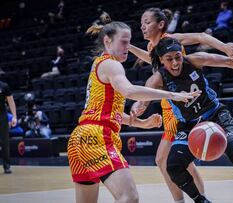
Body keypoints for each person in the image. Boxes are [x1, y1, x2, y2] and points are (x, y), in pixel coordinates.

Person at [133, 37, 233, 203]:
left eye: (178, 57)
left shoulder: (195, 60)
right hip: (188, 125)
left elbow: (228, 62)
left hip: (216, 115)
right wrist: (139, 105)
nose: (176, 63)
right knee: (173, 166)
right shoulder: (158, 78)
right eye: (170, 59)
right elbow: (143, 95)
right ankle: (201, 200)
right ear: (161, 60)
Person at [67, 21, 199, 203]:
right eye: (123, 42)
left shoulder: (99, 64)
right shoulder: (112, 65)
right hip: (96, 136)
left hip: (79, 139)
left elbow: (111, 113)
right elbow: (129, 91)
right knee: (129, 197)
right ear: (107, 41)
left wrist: (141, 123)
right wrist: (172, 94)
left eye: (129, 42)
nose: (127, 47)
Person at [129, 8, 233, 202]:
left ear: (160, 24)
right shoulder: (153, 47)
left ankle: (188, 199)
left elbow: (201, 36)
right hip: (169, 107)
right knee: (182, 163)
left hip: (180, 110)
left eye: (147, 21)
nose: (142, 25)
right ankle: (199, 198)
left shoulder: (172, 39)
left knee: (164, 159)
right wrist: (129, 47)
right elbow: (149, 58)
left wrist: (224, 47)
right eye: (141, 22)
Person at [0, 80, 17, 174]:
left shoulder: (4, 86)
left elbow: (11, 101)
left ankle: (7, 166)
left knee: (5, 142)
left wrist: (14, 116)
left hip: (2, 116)